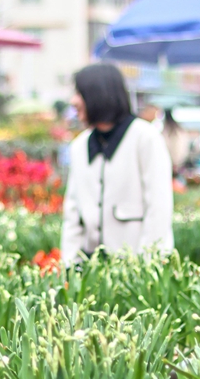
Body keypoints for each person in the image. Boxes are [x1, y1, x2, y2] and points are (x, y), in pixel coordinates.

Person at [60, 63, 174, 263]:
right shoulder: (80, 146)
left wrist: (146, 266)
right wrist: (71, 265)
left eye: (80, 93)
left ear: (99, 94)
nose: (73, 101)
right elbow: (72, 214)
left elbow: (159, 207)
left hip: (135, 268)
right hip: (91, 269)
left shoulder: (145, 138)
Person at [161, 108, 192, 177]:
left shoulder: (168, 131)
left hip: (173, 163)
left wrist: (174, 163)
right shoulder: (178, 129)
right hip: (177, 163)